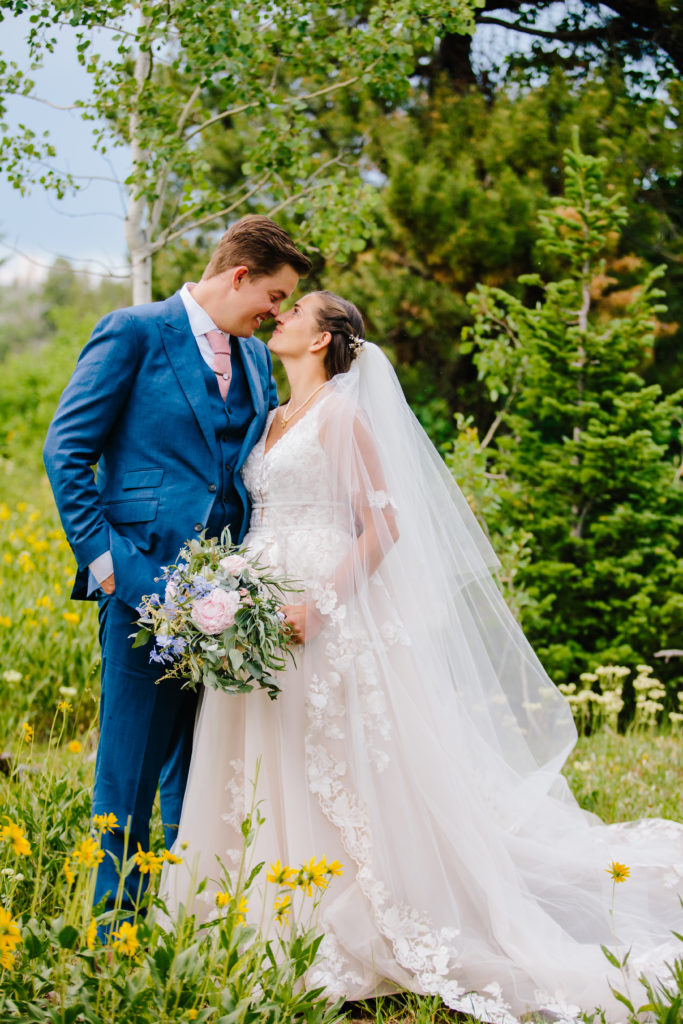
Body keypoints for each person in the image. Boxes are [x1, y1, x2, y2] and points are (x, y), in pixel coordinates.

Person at [161, 291, 683, 1023]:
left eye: (296, 309)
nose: (280, 315)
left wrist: (321, 604)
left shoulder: (345, 415)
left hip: (320, 607)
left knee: (336, 759)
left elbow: (384, 526)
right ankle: (256, 913)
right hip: (258, 605)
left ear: (323, 339)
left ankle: (342, 917)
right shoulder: (273, 417)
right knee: (261, 751)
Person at [43, 216, 311, 915]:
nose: (278, 313)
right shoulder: (133, 330)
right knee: (128, 768)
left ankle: (185, 911)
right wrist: (108, 567)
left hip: (231, 597)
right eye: (276, 296)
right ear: (240, 276)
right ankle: (114, 930)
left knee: (200, 766)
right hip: (140, 584)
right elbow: (65, 452)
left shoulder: (253, 359)